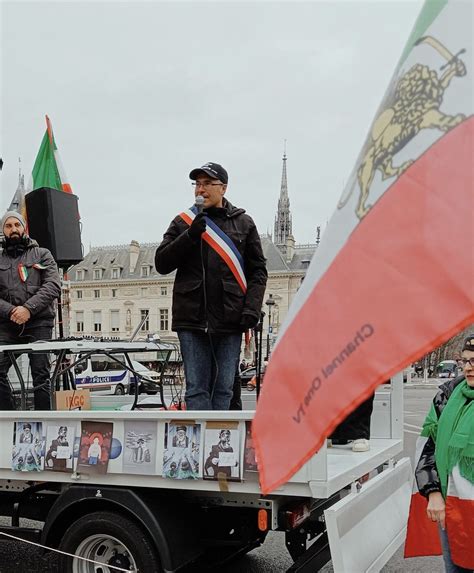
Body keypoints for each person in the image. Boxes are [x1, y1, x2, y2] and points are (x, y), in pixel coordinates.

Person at [155, 162, 267, 410]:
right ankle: (198, 445)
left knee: (224, 387)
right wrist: (189, 236)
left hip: (230, 318)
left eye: (207, 183)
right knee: (196, 389)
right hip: (191, 318)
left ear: (223, 188)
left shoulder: (244, 223)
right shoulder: (183, 221)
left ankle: (218, 445)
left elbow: (258, 271)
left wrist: (251, 308)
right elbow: (161, 263)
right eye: (197, 184)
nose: (201, 189)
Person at [413, 335, 474, 572]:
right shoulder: (446, 396)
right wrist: (433, 492)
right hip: (454, 508)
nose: (469, 367)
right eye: (466, 361)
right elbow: (427, 447)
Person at [0, 211, 61, 410]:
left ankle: (44, 423)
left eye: (16, 224)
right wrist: (10, 311)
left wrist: (28, 309)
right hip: (7, 325)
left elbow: (53, 285)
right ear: (3, 231)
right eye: (8, 226)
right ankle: (7, 422)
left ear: (24, 227)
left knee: (40, 374)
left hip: (38, 323)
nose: (13, 229)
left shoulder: (43, 254)